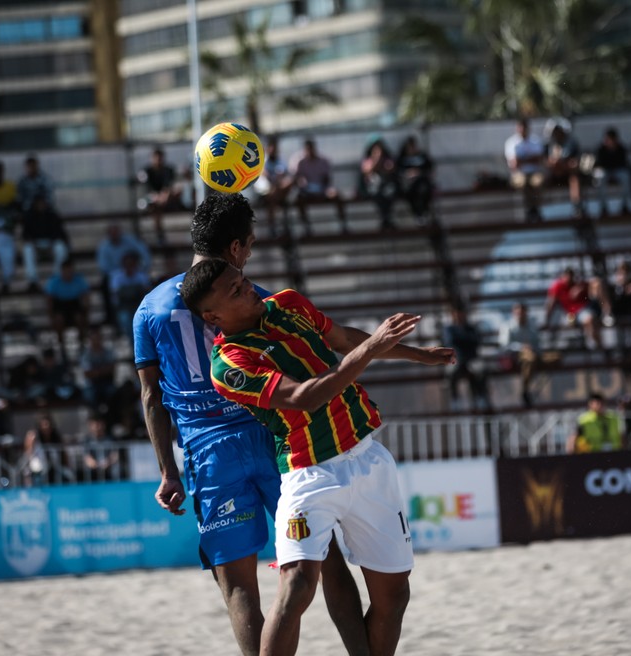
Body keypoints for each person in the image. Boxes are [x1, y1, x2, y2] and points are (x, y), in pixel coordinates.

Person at [181, 257, 455, 656]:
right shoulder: (228, 365)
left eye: (243, 280)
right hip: (306, 474)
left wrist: (418, 355)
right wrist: (372, 347)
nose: (249, 288)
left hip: (367, 459)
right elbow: (304, 398)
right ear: (212, 315)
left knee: (394, 597)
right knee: (296, 587)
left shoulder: (288, 303)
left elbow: (342, 338)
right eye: (236, 290)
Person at [133, 193, 367, 656]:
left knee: (239, 587)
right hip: (272, 440)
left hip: (209, 454)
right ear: (236, 247)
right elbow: (302, 361)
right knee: (328, 566)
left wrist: (168, 470)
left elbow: (150, 397)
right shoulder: (250, 293)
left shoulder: (148, 308)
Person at [289, 138, 347, 235]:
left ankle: (343, 224)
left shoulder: (323, 161)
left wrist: (322, 188)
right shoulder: (300, 162)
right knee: (299, 199)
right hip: (307, 192)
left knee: (336, 195)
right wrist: (303, 184)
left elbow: (327, 179)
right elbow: (297, 178)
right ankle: (306, 226)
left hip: (322, 190)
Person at [97, 224, 151, 326]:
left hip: (135, 271)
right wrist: (122, 272)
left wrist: (141, 268)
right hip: (115, 274)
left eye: (116, 233)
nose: (115, 236)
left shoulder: (130, 241)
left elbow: (144, 253)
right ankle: (112, 317)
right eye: (112, 233)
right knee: (105, 284)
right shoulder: (104, 247)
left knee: (148, 284)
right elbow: (104, 267)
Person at [442, 304, 491, 412]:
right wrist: (466, 339)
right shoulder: (449, 329)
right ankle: (455, 399)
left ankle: (481, 397)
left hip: (472, 358)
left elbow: (476, 341)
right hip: (457, 358)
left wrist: (461, 339)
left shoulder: (471, 328)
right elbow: (449, 342)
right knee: (450, 373)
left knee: (481, 370)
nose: (459, 316)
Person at [543, 267, 603, 349]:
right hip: (569, 315)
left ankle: (595, 346)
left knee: (589, 319)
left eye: (571, 275)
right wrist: (547, 320)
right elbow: (551, 303)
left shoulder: (581, 284)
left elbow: (594, 286)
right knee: (573, 321)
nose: (568, 278)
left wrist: (582, 289)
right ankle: (592, 344)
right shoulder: (558, 286)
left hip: (584, 311)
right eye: (566, 275)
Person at [21, 194, 69, 293]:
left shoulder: (52, 215)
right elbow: (25, 235)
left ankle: (56, 277)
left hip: (51, 244)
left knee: (60, 247)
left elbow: (60, 233)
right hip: (35, 246)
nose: (41, 206)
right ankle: (32, 281)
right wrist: (33, 244)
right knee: (27, 249)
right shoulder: (29, 216)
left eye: (43, 203)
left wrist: (52, 243)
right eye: (38, 204)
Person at [499, 302, 541, 408]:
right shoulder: (507, 326)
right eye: (518, 311)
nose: (520, 314)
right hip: (514, 357)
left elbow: (537, 343)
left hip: (532, 354)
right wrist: (521, 347)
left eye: (522, 311)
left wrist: (532, 349)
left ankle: (526, 390)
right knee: (529, 359)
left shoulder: (531, 326)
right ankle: (525, 390)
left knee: (555, 357)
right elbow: (504, 346)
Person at [505, 118, 547, 222]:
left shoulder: (535, 140)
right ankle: (529, 210)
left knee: (537, 182)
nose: (522, 129)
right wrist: (530, 159)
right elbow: (514, 164)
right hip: (519, 173)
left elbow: (538, 160)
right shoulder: (512, 142)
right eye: (520, 127)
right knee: (523, 182)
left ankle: (535, 210)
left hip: (534, 172)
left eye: (524, 127)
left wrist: (523, 159)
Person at [138, 147, 182, 244]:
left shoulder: (168, 170)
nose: (158, 160)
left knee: (176, 192)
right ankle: (160, 236)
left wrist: (164, 195)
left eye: (160, 157)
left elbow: (168, 186)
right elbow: (148, 188)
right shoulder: (147, 171)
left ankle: (160, 236)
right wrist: (157, 196)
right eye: (156, 157)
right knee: (155, 209)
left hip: (166, 198)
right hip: (154, 199)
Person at [46, 258, 91, 352]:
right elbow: (49, 300)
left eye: (70, 270)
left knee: (80, 319)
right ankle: (61, 346)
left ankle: (82, 344)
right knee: (58, 320)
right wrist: (51, 317)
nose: (68, 273)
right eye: (66, 270)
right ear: (61, 271)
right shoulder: (54, 282)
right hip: (60, 305)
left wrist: (86, 313)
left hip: (74, 304)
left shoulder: (79, 280)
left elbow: (86, 297)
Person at [254, 135, 292, 236]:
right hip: (264, 193)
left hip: (277, 192)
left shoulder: (280, 161)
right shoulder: (263, 161)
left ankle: (279, 227)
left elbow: (286, 176)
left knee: (285, 186)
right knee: (273, 198)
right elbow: (266, 176)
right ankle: (273, 227)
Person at [110, 251, 151, 343]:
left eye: (131, 264)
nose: (129, 266)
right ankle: (133, 344)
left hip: (139, 306)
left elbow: (147, 294)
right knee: (125, 320)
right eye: (127, 264)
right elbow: (115, 297)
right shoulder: (117, 278)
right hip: (124, 307)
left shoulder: (142, 276)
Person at [358, 137, 398, 231]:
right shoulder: (367, 161)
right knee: (378, 195)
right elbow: (367, 171)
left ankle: (386, 218)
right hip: (373, 189)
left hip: (386, 189)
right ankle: (385, 219)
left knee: (389, 195)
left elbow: (390, 170)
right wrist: (376, 159)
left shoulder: (387, 160)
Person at [545, 123, 584, 218]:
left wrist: (566, 164)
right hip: (555, 173)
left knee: (575, 179)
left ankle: (577, 207)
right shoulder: (550, 144)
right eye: (555, 133)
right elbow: (547, 161)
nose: (558, 135)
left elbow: (577, 160)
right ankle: (539, 211)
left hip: (568, 172)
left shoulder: (572, 143)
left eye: (559, 132)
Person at [592, 127, 631, 217]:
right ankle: (603, 207)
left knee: (626, 177)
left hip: (618, 170)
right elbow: (598, 164)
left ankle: (625, 205)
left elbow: (624, 164)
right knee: (599, 177)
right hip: (605, 171)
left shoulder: (621, 148)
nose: (610, 141)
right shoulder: (600, 149)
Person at [396, 134, 435, 223]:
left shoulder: (422, 156)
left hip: (422, 182)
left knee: (424, 190)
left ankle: (424, 212)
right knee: (410, 193)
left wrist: (418, 172)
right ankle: (418, 213)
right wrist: (408, 174)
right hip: (408, 185)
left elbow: (430, 169)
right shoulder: (402, 158)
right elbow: (398, 172)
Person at [79, 325, 116, 412]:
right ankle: (95, 416)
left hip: (107, 382)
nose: (96, 340)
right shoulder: (86, 355)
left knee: (113, 393)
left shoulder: (107, 351)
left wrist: (96, 372)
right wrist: (103, 370)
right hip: (92, 384)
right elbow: (87, 373)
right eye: (94, 338)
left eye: (98, 338)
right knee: (89, 395)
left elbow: (112, 368)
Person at [77, 414, 120, 482]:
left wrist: (107, 463)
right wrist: (96, 465)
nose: (96, 428)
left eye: (98, 425)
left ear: (103, 425)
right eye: (94, 425)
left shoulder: (111, 439)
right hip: (93, 471)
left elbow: (115, 455)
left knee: (117, 470)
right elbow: (87, 458)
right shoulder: (86, 440)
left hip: (109, 468)